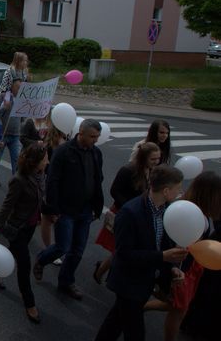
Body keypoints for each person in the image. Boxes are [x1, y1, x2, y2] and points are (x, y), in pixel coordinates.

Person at [94, 165, 188, 341]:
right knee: (135, 332)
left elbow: (162, 243)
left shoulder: (165, 210)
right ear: (166, 191)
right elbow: (123, 254)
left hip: (144, 280)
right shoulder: (131, 212)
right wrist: (163, 257)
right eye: (178, 188)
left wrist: (172, 267)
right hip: (129, 283)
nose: (180, 192)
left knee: (114, 323)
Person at [33, 119, 104, 300]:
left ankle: (66, 281)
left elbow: (97, 180)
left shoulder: (96, 153)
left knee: (78, 249)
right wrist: (53, 209)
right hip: (65, 209)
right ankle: (41, 260)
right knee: (62, 246)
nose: (95, 140)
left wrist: (97, 205)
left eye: (97, 137)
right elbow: (53, 181)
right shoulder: (63, 152)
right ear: (81, 132)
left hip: (85, 209)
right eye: (92, 137)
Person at [157, 172, 221, 341]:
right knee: (178, 309)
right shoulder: (197, 216)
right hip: (185, 270)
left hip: (189, 267)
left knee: (177, 307)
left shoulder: (191, 209)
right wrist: (178, 271)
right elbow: (182, 247)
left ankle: (141, 307)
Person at [0, 142, 49, 324]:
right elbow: (7, 206)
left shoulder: (40, 175)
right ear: (35, 161)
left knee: (15, 253)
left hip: (30, 226)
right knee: (24, 266)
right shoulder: (19, 180)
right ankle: (29, 304)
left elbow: (40, 197)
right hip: (16, 228)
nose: (48, 161)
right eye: (45, 159)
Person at [93, 142, 161, 284]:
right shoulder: (128, 170)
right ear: (143, 158)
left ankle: (104, 270)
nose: (156, 162)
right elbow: (114, 191)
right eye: (153, 159)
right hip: (124, 213)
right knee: (119, 249)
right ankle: (101, 272)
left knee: (122, 249)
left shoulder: (151, 171)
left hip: (137, 214)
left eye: (157, 158)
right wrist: (129, 207)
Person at [39, 122, 67, 266]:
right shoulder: (49, 144)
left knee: (57, 217)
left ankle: (55, 247)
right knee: (47, 217)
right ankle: (49, 247)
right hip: (50, 183)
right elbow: (44, 166)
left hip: (63, 185)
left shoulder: (67, 141)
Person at [0, 78, 23, 187]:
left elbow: (23, 118)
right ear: (12, 87)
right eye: (17, 87)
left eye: (21, 87)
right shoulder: (4, 96)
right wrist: (5, 108)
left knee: (17, 160)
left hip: (15, 135)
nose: (19, 89)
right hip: (2, 134)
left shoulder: (22, 99)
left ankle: (16, 182)